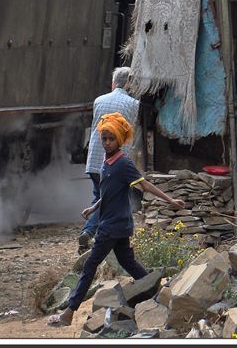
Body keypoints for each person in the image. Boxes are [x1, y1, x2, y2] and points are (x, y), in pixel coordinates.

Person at [48, 113, 185, 327]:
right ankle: (156, 292)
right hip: (118, 225)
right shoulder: (107, 162)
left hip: (112, 227)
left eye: (111, 139)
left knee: (90, 266)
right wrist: (94, 207)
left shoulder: (123, 163)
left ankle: (69, 313)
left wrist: (171, 200)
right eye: (104, 138)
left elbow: (146, 186)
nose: (107, 142)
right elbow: (108, 191)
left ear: (119, 140)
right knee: (127, 262)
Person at [78, 66, 140, 253]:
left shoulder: (99, 100)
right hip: (115, 163)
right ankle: (90, 233)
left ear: (114, 83)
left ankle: (95, 238)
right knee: (107, 200)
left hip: (94, 160)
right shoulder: (134, 104)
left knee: (101, 198)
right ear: (130, 85)